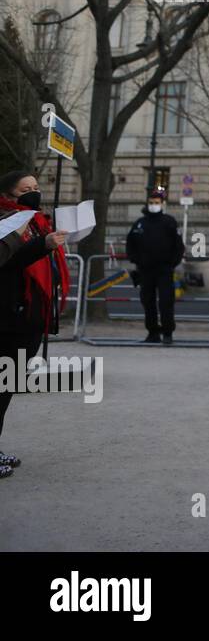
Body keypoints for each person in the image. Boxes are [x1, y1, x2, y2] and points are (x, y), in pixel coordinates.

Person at [0, 173, 68, 479]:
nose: (34, 194)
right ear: (9, 194)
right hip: (7, 315)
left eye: (37, 188)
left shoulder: (38, 222)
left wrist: (47, 243)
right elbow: (7, 261)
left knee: (7, 386)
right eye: (26, 190)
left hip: (29, 318)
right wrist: (41, 246)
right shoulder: (7, 221)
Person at [126, 189, 184, 345]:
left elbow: (178, 246)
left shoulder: (169, 222)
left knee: (166, 302)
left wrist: (172, 263)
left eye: (156, 203)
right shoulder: (140, 223)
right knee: (148, 302)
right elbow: (130, 243)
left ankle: (167, 333)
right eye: (151, 203)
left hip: (164, 270)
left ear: (162, 204)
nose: (153, 205)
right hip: (145, 270)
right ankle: (152, 332)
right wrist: (136, 260)